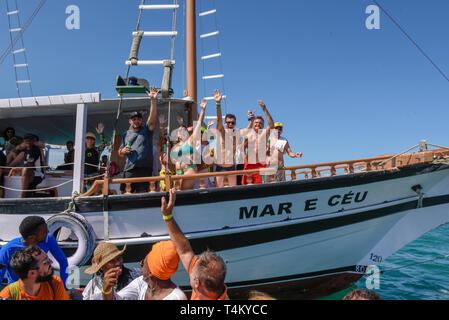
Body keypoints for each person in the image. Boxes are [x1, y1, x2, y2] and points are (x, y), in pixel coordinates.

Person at [161, 189, 229, 300]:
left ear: (197, 282)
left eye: (193, 271)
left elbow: (185, 252)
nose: (191, 268)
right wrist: (168, 216)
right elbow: (184, 251)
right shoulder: (210, 283)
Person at [100, 240, 187, 300]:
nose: (141, 267)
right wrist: (106, 290)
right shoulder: (142, 283)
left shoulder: (176, 297)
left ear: (150, 273)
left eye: (142, 263)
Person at [0, 216, 69, 288]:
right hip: (17, 292)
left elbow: (63, 261)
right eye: (44, 232)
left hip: (41, 290)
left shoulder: (49, 239)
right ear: (31, 237)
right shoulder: (7, 250)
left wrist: (64, 287)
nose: (48, 232)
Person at [118, 88, 158, 194]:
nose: (137, 121)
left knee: (142, 194)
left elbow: (152, 118)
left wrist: (153, 100)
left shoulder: (146, 130)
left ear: (142, 121)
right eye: (134, 119)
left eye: (139, 119)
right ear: (130, 121)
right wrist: (123, 151)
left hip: (145, 169)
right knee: (125, 194)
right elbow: (120, 153)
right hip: (129, 169)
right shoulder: (125, 134)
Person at [0, 245, 70, 300]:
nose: (51, 262)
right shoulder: (8, 296)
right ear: (32, 273)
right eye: (46, 261)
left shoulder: (55, 284)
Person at [171, 99, 208, 190]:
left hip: (189, 169)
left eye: (184, 130)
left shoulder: (190, 141)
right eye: (179, 130)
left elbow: (198, 125)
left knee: (184, 194)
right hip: (178, 172)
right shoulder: (175, 147)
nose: (181, 131)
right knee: (177, 196)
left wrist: (202, 110)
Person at [242, 100, 275, 185]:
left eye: (260, 123)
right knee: (246, 187)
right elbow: (242, 148)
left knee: (260, 187)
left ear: (263, 126)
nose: (258, 124)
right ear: (253, 124)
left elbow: (271, 125)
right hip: (249, 165)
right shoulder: (248, 135)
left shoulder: (264, 134)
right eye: (256, 123)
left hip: (261, 165)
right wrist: (245, 160)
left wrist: (264, 109)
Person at [7, 134, 47, 198]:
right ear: (24, 141)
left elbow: (29, 165)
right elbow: (14, 163)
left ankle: (22, 194)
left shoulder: (35, 150)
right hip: (31, 173)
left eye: (29, 141)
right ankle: (25, 194)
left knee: (25, 169)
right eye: (26, 141)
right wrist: (8, 168)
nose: (28, 142)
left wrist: (16, 169)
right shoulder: (24, 151)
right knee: (24, 169)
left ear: (33, 141)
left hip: (39, 174)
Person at [214, 90, 238, 187]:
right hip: (220, 166)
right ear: (225, 123)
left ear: (235, 124)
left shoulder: (236, 135)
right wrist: (218, 103)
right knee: (218, 192)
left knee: (233, 191)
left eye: (232, 123)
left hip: (231, 167)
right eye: (228, 122)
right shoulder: (221, 131)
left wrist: (251, 120)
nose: (230, 124)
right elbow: (219, 119)